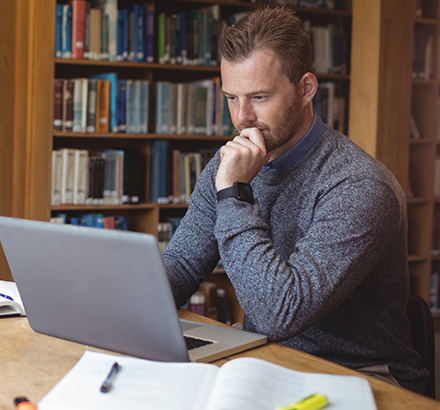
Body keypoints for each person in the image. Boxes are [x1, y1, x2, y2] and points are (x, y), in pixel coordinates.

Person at [161, 6, 428, 394]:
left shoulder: (358, 186)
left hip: (360, 377)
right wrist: (118, 303)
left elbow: (279, 312)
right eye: (232, 98)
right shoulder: (229, 165)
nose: (242, 118)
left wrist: (235, 193)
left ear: (305, 89)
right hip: (264, 358)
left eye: (259, 97)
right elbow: (183, 263)